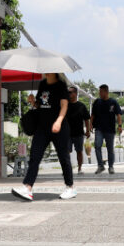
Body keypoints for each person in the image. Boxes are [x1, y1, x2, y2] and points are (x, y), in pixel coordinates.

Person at [12, 72, 76, 201]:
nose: (46, 71)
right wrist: (33, 102)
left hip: (59, 128)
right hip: (42, 127)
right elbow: (41, 106)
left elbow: (64, 106)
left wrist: (58, 121)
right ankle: (28, 188)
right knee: (35, 157)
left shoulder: (61, 86)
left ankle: (70, 187)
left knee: (63, 157)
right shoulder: (42, 84)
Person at [89, 84, 123, 174]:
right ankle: (100, 166)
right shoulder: (97, 102)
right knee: (97, 146)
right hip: (99, 129)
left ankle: (111, 167)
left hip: (110, 129)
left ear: (106, 92)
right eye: (99, 91)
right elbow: (93, 115)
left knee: (110, 149)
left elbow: (118, 115)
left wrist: (120, 126)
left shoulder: (113, 102)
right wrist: (90, 124)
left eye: (101, 91)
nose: (99, 93)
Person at [65, 86, 91, 173]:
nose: (68, 94)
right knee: (66, 152)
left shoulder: (81, 106)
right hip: (67, 133)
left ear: (75, 94)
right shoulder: (65, 105)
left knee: (79, 151)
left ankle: (79, 168)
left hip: (79, 133)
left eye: (70, 92)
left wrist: (87, 130)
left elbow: (87, 119)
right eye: (68, 92)